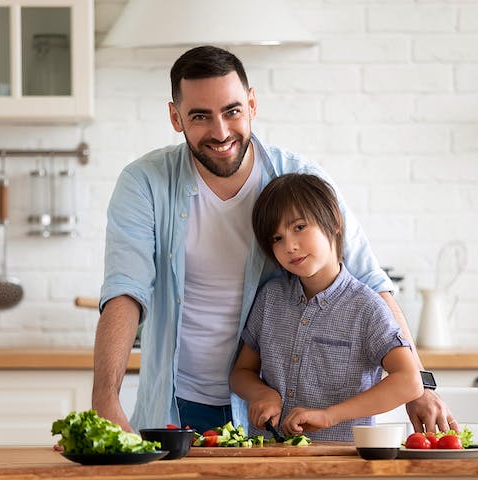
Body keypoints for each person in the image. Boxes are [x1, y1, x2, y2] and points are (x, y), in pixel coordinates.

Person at [93, 45, 457, 435]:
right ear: (175, 117)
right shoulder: (144, 183)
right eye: (200, 116)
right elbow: (125, 292)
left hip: (266, 419)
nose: (220, 132)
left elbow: (369, 279)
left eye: (232, 111)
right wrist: (105, 400)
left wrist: (421, 386)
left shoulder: (299, 179)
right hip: (174, 405)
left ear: (251, 104)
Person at [229, 173, 424, 441]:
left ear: (334, 222)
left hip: (339, 464)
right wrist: (262, 393)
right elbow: (241, 373)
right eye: (277, 238)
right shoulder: (270, 299)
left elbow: (409, 381)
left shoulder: (367, 307)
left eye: (299, 227)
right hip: (271, 462)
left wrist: (329, 416)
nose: (290, 246)